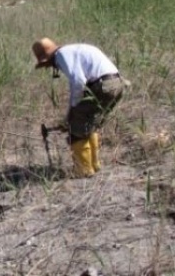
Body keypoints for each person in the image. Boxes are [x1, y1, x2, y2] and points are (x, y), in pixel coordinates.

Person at [32, 37, 126, 177]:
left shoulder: (61, 55)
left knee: (76, 131)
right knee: (89, 124)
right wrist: (70, 113)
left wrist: (72, 112)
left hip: (103, 86)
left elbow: (78, 82)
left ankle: (83, 171)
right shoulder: (73, 50)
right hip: (117, 84)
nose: (50, 67)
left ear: (49, 57)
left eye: (47, 64)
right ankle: (95, 165)